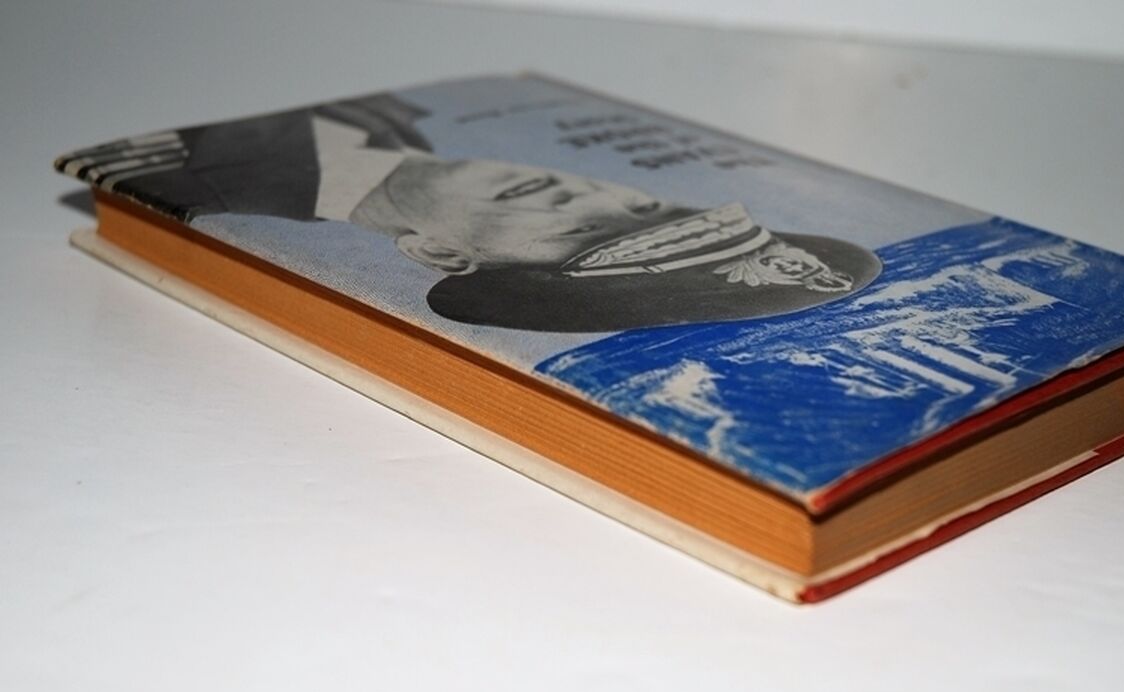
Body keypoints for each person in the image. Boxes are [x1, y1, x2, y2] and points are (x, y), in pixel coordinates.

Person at [57, 93, 881, 332]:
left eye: (585, 232)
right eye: (638, 204)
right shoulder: (397, 119)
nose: (585, 195)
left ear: (438, 255)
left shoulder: (191, 183)